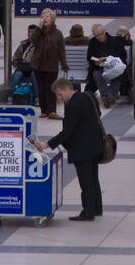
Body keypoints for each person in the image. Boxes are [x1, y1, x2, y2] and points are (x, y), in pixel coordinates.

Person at [33, 77, 104, 220]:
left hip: (82, 148)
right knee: (93, 178)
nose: (60, 98)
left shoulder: (74, 104)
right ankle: (96, 208)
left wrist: (47, 144)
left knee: (86, 181)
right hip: (95, 145)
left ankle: (88, 212)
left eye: (60, 94)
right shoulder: (87, 96)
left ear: (67, 89)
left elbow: (67, 131)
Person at [30, 8, 67, 119]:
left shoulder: (58, 33)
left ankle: (52, 111)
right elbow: (32, 41)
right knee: (41, 88)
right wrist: (39, 28)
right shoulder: (39, 32)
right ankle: (44, 110)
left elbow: (61, 50)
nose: (44, 19)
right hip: (39, 64)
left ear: (52, 19)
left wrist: (64, 63)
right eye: (43, 17)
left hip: (51, 64)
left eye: (47, 17)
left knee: (51, 88)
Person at [86, 23, 126, 106]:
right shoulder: (92, 42)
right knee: (97, 75)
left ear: (104, 32)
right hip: (99, 68)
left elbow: (123, 55)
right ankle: (108, 96)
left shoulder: (115, 41)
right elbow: (90, 57)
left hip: (114, 67)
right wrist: (96, 61)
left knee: (117, 76)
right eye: (97, 35)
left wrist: (111, 59)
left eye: (101, 34)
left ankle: (108, 97)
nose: (100, 37)